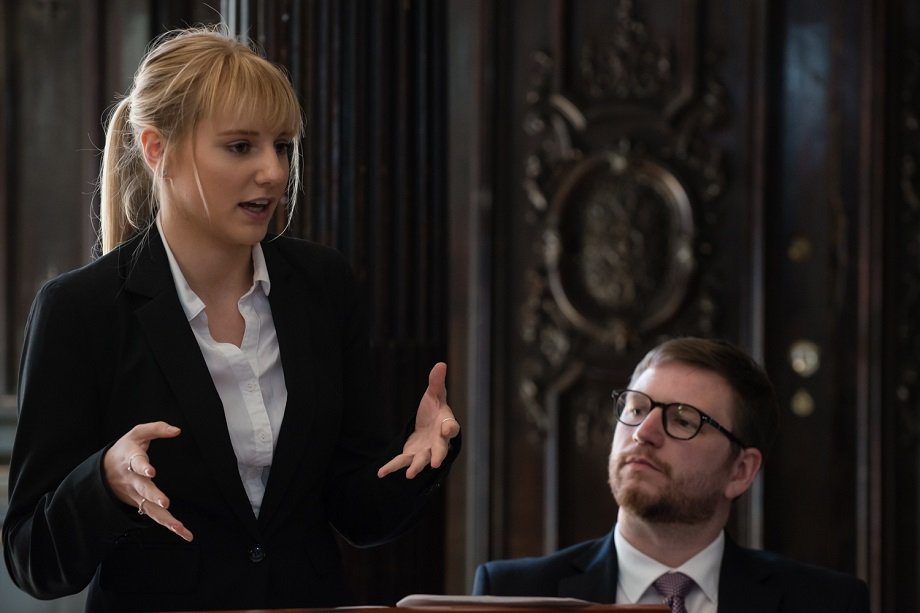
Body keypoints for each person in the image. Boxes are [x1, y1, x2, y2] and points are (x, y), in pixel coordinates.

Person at [2, 25, 460, 612]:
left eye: (283, 147)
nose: (273, 172)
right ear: (156, 149)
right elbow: (33, 560)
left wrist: (421, 457)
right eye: (241, 147)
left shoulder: (322, 286)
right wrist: (105, 481)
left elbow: (357, 515)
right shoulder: (79, 311)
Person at [472, 337, 869, 612]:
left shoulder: (826, 604)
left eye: (683, 420)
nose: (644, 433)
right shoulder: (512, 596)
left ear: (741, 470)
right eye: (636, 409)